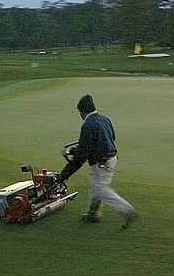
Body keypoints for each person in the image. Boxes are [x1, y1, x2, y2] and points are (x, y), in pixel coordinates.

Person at [48, 94, 139, 229]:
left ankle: (126, 210)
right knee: (94, 185)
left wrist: (68, 158)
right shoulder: (104, 119)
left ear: (82, 111)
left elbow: (83, 153)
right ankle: (93, 213)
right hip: (111, 159)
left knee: (100, 188)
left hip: (101, 163)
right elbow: (109, 138)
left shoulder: (88, 125)